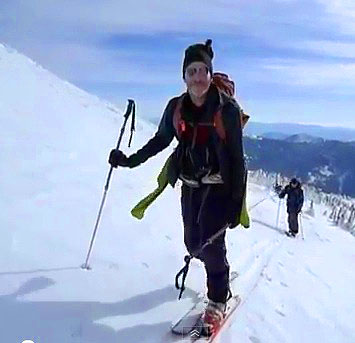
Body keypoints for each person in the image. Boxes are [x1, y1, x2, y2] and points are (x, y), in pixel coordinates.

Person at [108, 39, 247, 333]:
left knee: (210, 242)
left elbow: (237, 158)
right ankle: (219, 271)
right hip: (189, 183)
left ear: (210, 75)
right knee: (193, 243)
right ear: (184, 76)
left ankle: (218, 299)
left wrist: (237, 201)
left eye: (203, 71)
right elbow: (160, 141)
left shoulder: (227, 110)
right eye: (192, 71)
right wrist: (129, 160)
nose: (198, 77)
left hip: (218, 186)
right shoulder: (176, 108)